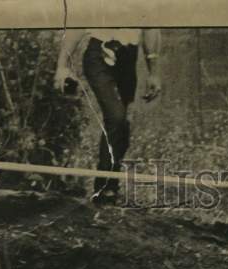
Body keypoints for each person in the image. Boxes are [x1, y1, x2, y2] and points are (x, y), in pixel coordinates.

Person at [54, 29, 163, 203]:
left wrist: (154, 73)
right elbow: (76, 27)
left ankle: (111, 185)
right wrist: (62, 66)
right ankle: (104, 188)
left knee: (123, 125)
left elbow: (151, 28)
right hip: (99, 55)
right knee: (116, 117)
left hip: (128, 58)